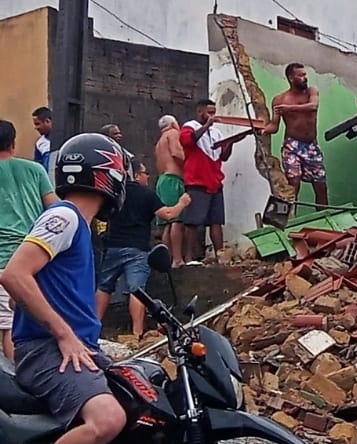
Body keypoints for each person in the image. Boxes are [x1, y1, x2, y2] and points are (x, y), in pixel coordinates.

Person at [0, 133, 199, 444]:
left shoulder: (81, 227)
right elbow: (13, 273)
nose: (123, 182)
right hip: (47, 351)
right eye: (119, 173)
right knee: (107, 420)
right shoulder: (64, 217)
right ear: (104, 176)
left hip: (76, 350)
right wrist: (64, 333)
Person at [96, 165, 190, 338]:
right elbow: (168, 214)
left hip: (113, 246)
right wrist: (182, 203)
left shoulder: (115, 192)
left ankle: (93, 329)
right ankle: (137, 333)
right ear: (137, 175)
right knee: (137, 290)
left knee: (104, 287)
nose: (148, 177)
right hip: (137, 249)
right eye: (146, 173)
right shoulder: (146, 194)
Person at [0, 119, 56, 360]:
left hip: (2, 259)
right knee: (15, 326)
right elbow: (54, 207)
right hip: (31, 260)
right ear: (13, 143)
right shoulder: (35, 170)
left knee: (7, 325)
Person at [179, 99, 251, 265]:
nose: (213, 116)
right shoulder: (189, 127)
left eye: (214, 112)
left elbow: (223, 156)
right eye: (209, 112)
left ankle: (220, 256)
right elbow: (188, 141)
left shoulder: (217, 133)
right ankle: (188, 258)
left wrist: (232, 141)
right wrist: (206, 126)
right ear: (199, 112)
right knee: (192, 222)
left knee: (216, 221)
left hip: (215, 182)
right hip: (197, 182)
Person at [263, 62, 328, 209]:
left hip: (311, 145)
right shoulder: (279, 100)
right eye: (301, 75)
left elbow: (313, 106)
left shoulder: (311, 91)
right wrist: (263, 130)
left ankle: (325, 218)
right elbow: (274, 126)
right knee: (293, 184)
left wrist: (290, 108)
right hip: (292, 145)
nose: (305, 78)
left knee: (320, 186)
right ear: (291, 78)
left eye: (305, 75)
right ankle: (288, 222)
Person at [153, 115, 186, 254]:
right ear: (173, 123)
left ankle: (170, 258)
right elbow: (177, 154)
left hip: (162, 180)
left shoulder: (159, 142)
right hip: (173, 179)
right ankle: (177, 259)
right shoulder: (172, 133)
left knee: (166, 223)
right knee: (176, 221)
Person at [31, 107, 53, 172]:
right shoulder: (39, 143)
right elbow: (37, 167)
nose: (36, 128)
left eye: (37, 124)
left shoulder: (65, 138)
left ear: (47, 121)